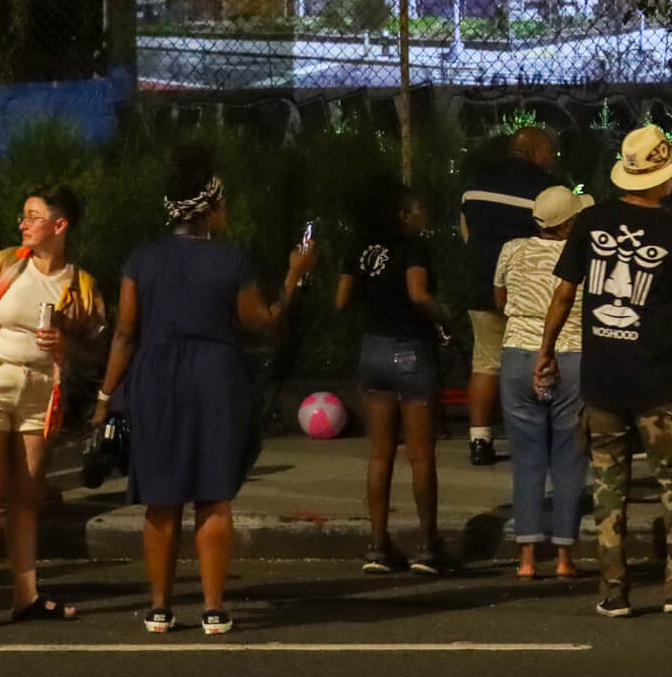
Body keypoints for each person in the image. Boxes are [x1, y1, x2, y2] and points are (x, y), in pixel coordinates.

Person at [94, 145, 318, 635]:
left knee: (161, 497)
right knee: (213, 497)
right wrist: (294, 276)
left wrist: (105, 397)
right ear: (210, 211)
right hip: (216, 376)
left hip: (154, 376)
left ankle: (159, 606)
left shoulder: (141, 261)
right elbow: (263, 323)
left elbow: (126, 333)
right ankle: (213, 608)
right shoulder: (230, 262)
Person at [540, 125, 672, 618]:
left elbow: (565, 293)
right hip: (663, 381)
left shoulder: (590, 222)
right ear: (664, 178)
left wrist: (546, 350)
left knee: (608, 490)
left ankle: (614, 590)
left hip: (603, 380)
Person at [0, 184, 106, 630]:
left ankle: (26, 594)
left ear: (60, 225)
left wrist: (68, 343)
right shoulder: (4, 263)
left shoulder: (81, 284)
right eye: (23, 215)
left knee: (26, 496)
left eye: (33, 216)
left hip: (40, 391)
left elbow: (98, 346)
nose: (23, 224)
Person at [340, 180, 451, 575]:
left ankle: (378, 543)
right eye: (416, 207)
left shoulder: (360, 247)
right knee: (420, 455)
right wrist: (444, 316)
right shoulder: (413, 246)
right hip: (411, 349)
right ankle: (427, 544)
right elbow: (418, 293)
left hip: (373, 349)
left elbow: (341, 298)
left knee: (380, 453)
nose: (422, 213)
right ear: (403, 214)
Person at [493, 185, 593, 579]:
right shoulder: (582, 252)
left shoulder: (511, 249)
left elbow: (500, 300)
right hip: (572, 354)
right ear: (568, 224)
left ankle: (527, 559)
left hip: (518, 354)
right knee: (570, 457)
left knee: (528, 459)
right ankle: (566, 558)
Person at [459, 126, 565, 467]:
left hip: (480, 285)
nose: (554, 157)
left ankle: (479, 439)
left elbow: (466, 231)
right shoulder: (546, 189)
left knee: (485, 363)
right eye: (550, 150)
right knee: (540, 359)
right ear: (535, 150)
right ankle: (539, 438)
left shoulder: (475, 184)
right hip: (530, 294)